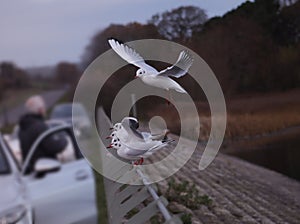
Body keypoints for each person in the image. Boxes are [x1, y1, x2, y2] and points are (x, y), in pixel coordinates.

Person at [18, 95, 67, 174]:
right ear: (40, 110)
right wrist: (63, 139)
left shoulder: (23, 127)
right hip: (45, 171)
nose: (45, 110)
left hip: (31, 171)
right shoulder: (39, 126)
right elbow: (53, 147)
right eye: (44, 107)